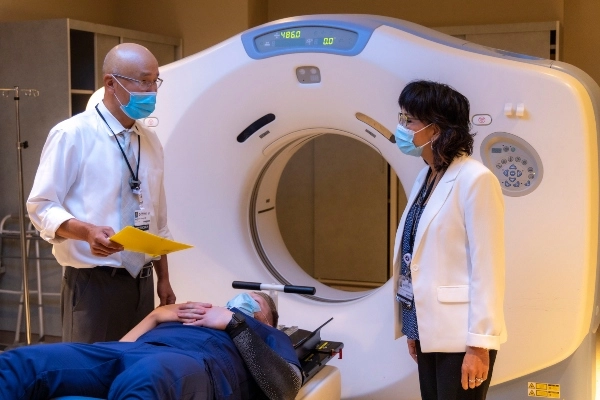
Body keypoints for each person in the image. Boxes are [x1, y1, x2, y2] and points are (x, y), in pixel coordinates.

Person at [27, 43, 176, 343]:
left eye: (155, 81)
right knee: (91, 379)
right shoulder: (72, 135)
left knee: (133, 373)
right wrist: (87, 232)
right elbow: (41, 207)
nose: (152, 91)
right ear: (111, 82)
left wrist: (165, 279)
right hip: (94, 285)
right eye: (144, 81)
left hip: (142, 282)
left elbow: (157, 217)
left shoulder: (150, 141)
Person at [392, 80, 506, 400]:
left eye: (409, 120)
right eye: (401, 117)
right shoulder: (427, 175)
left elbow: (488, 267)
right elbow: (413, 254)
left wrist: (479, 346)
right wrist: (412, 325)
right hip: (428, 327)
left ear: (436, 129)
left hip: (461, 336)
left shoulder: (475, 180)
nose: (401, 127)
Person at [0, 292, 302, 400]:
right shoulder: (194, 312)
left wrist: (235, 323)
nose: (243, 301)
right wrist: (156, 315)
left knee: (147, 377)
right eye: (239, 299)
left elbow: (285, 386)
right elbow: (119, 348)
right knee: (23, 362)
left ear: (270, 321)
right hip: (129, 352)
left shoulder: (268, 334)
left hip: (194, 365)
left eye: (255, 302)